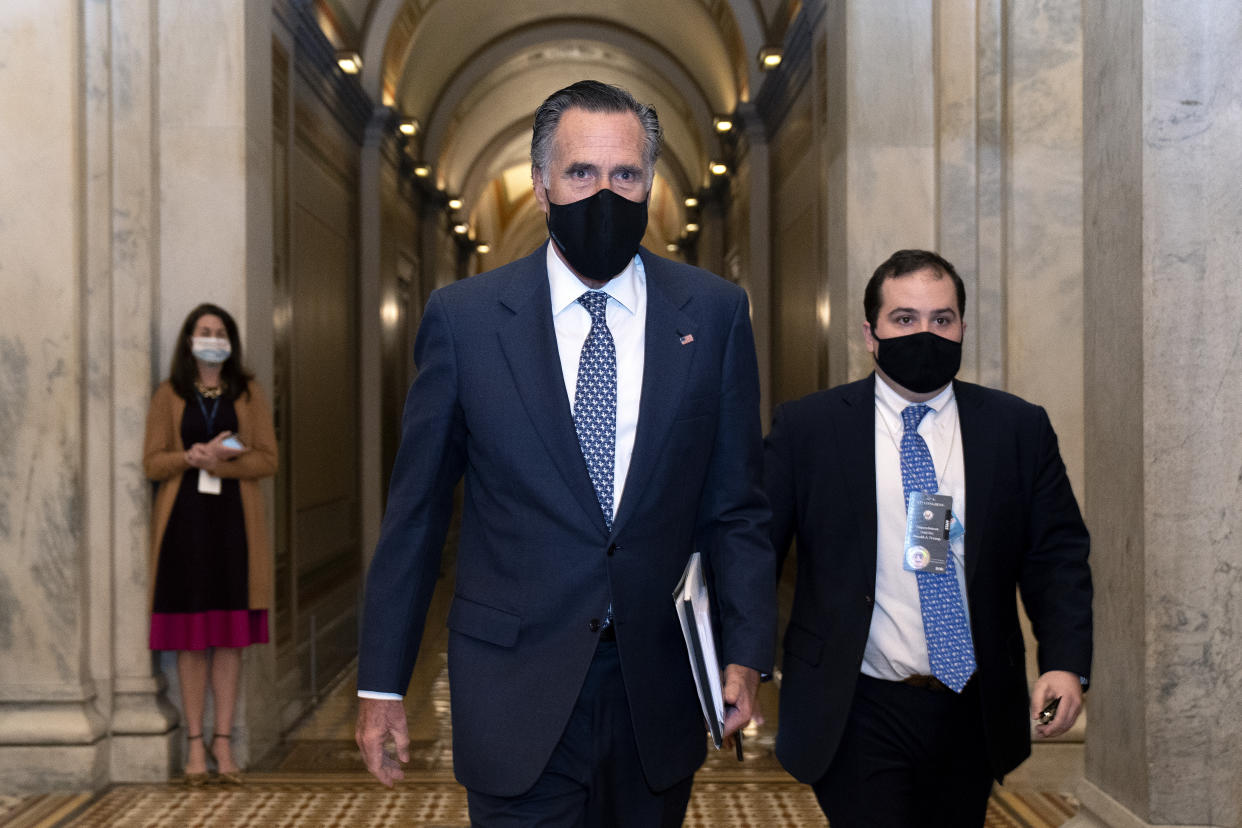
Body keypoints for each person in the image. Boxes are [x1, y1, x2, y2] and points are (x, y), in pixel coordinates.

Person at [355, 80, 775, 825]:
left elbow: (735, 505)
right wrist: (383, 682)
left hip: (658, 689)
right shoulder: (466, 320)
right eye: (582, 173)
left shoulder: (712, 315)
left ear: (650, 183)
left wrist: (744, 652)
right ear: (543, 183)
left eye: (626, 175)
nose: (605, 193)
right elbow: (415, 515)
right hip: (514, 685)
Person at [764, 250, 1092, 827]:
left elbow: (1056, 556)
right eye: (905, 319)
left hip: (973, 704)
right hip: (856, 700)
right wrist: (739, 659)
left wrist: (1065, 662)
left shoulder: (1017, 428)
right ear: (871, 333)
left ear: (963, 326)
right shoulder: (809, 428)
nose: (926, 334)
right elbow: (756, 548)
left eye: (942, 319)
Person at [143, 303, 277, 785]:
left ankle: (224, 741)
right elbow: (152, 463)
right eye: (204, 331)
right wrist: (189, 456)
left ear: (231, 341)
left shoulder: (248, 391)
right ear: (189, 339)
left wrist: (221, 460)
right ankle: (194, 744)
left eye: (220, 332)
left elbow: (268, 459)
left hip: (234, 527)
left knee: (229, 637)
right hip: (184, 526)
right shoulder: (170, 393)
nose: (212, 338)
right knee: (191, 637)